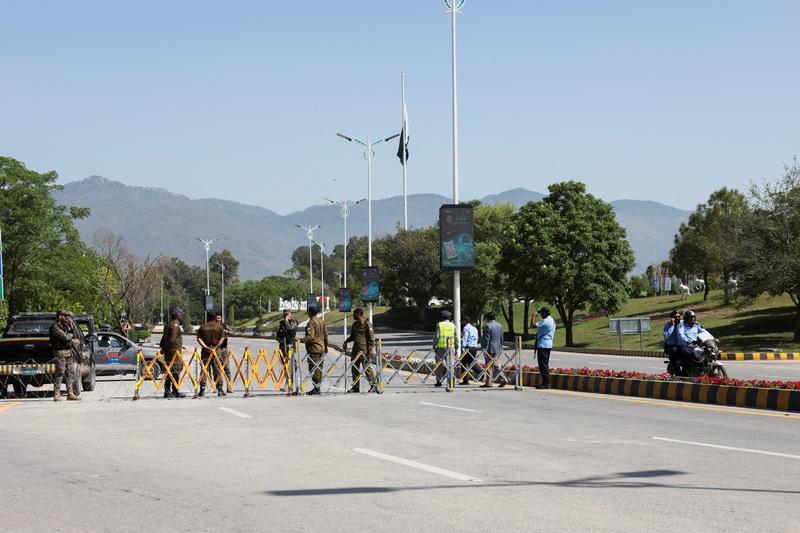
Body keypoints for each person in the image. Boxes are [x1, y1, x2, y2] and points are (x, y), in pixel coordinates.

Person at [343, 308, 379, 393]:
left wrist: (371, 349)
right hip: (355, 349)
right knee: (354, 368)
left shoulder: (367, 324)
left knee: (366, 368)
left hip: (364, 350)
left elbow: (372, 338)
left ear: (359, 314)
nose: (353, 316)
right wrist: (346, 341)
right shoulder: (355, 324)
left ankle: (373, 385)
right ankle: (356, 387)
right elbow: (352, 336)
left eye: (354, 314)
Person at [49, 311, 81, 401]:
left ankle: (70, 393)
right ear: (60, 316)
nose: (67, 318)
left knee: (70, 373)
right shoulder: (55, 327)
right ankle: (57, 394)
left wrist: (71, 327)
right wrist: (71, 335)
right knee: (60, 372)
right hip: (60, 352)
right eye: (65, 316)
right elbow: (65, 337)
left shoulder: (66, 326)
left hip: (68, 352)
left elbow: (72, 335)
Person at [197, 311, 226, 397]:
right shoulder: (219, 327)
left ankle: (202, 390)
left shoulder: (202, 327)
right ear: (214, 318)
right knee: (217, 369)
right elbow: (222, 339)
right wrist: (216, 347)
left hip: (206, 351)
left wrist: (206, 347)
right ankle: (219, 389)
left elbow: (199, 339)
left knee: (204, 369)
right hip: (216, 350)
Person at [159, 307, 186, 398]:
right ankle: (175, 391)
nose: (182, 316)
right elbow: (172, 339)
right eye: (181, 314)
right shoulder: (175, 324)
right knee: (175, 371)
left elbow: (163, 338)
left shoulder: (168, 324)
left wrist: (163, 348)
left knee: (168, 371)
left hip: (168, 352)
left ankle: (167, 391)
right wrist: (172, 347)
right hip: (174, 352)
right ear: (178, 315)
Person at [301, 305, 328, 395]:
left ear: (310, 312)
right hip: (322, 348)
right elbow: (326, 335)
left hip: (314, 349)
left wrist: (301, 340)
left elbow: (310, 336)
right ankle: (317, 387)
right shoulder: (321, 321)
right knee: (319, 369)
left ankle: (316, 388)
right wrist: (326, 346)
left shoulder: (311, 323)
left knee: (313, 368)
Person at [480, 311, 507, 388]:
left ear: (488, 318)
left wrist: (484, 349)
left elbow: (486, 339)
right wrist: (501, 347)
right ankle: (502, 378)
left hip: (489, 349)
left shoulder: (488, 326)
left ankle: (489, 382)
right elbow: (501, 338)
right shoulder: (500, 326)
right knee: (496, 365)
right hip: (497, 348)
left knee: (489, 365)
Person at [530, 306, 555, 389]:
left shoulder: (545, 321)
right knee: (545, 364)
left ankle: (547, 383)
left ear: (545, 313)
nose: (541, 315)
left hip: (542, 345)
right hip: (548, 344)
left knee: (543, 365)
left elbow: (532, 326)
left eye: (541, 313)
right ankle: (544, 382)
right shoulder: (552, 320)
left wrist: (533, 316)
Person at [432, 310, 455, 387]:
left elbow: (437, 337)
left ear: (442, 317)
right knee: (451, 364)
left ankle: (439, 381)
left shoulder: (439, 324)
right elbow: (456, 336)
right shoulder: (453, 325)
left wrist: (434, 346)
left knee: (439, 365)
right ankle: (451, 382)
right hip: (451, 347)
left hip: (441, 347)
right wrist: (457, 346)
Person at [460, 316, 479, 385]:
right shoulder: (474, 328)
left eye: (462, 321)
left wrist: (463, 348)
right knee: (471, 363)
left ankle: (465, 380)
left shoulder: (466, 328)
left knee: (463, 363)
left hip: (468, 348)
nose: (461, 323)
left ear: (465, 321)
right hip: (474, 347)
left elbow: (465, 338)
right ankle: (481, 373)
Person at [663, 309, 682, 374]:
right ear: (671, 318)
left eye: (678, 316)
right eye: (675, 317)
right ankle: (675, 367)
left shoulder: (682, 323)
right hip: (671, 345)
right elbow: (667, 336)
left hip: (681, 344)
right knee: (674, 350)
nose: (677, 318)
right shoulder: (668, 325)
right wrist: (672, 326)